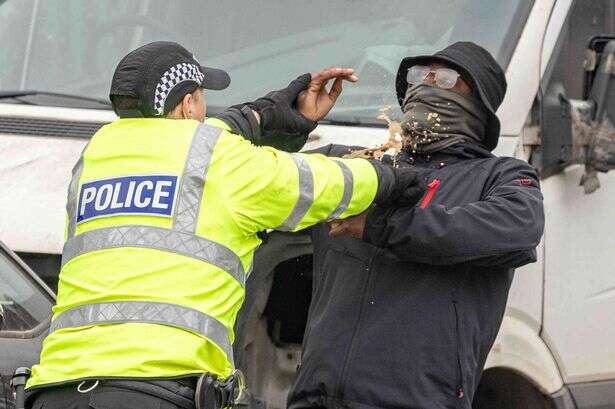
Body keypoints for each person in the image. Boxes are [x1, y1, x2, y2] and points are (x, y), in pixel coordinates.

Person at [24, 41, 426, 409]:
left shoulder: (95, 157)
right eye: (201, 100)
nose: (204, 112)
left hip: (57, 389)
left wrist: (258, 114)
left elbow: (186, 147)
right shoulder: (221, 162)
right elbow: (318, 185)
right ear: (186, 106)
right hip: (159, 390)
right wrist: (390, 175)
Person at [288, 42, 545, 409]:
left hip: (416, 399)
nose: (425, 84)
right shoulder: (358, 165)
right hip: (317, 396)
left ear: (478, 100)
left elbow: (516, 229)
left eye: (444, 77)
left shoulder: (499, 176)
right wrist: (295, 125)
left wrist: (382, 226)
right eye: (418, 75)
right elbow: (255, 179)